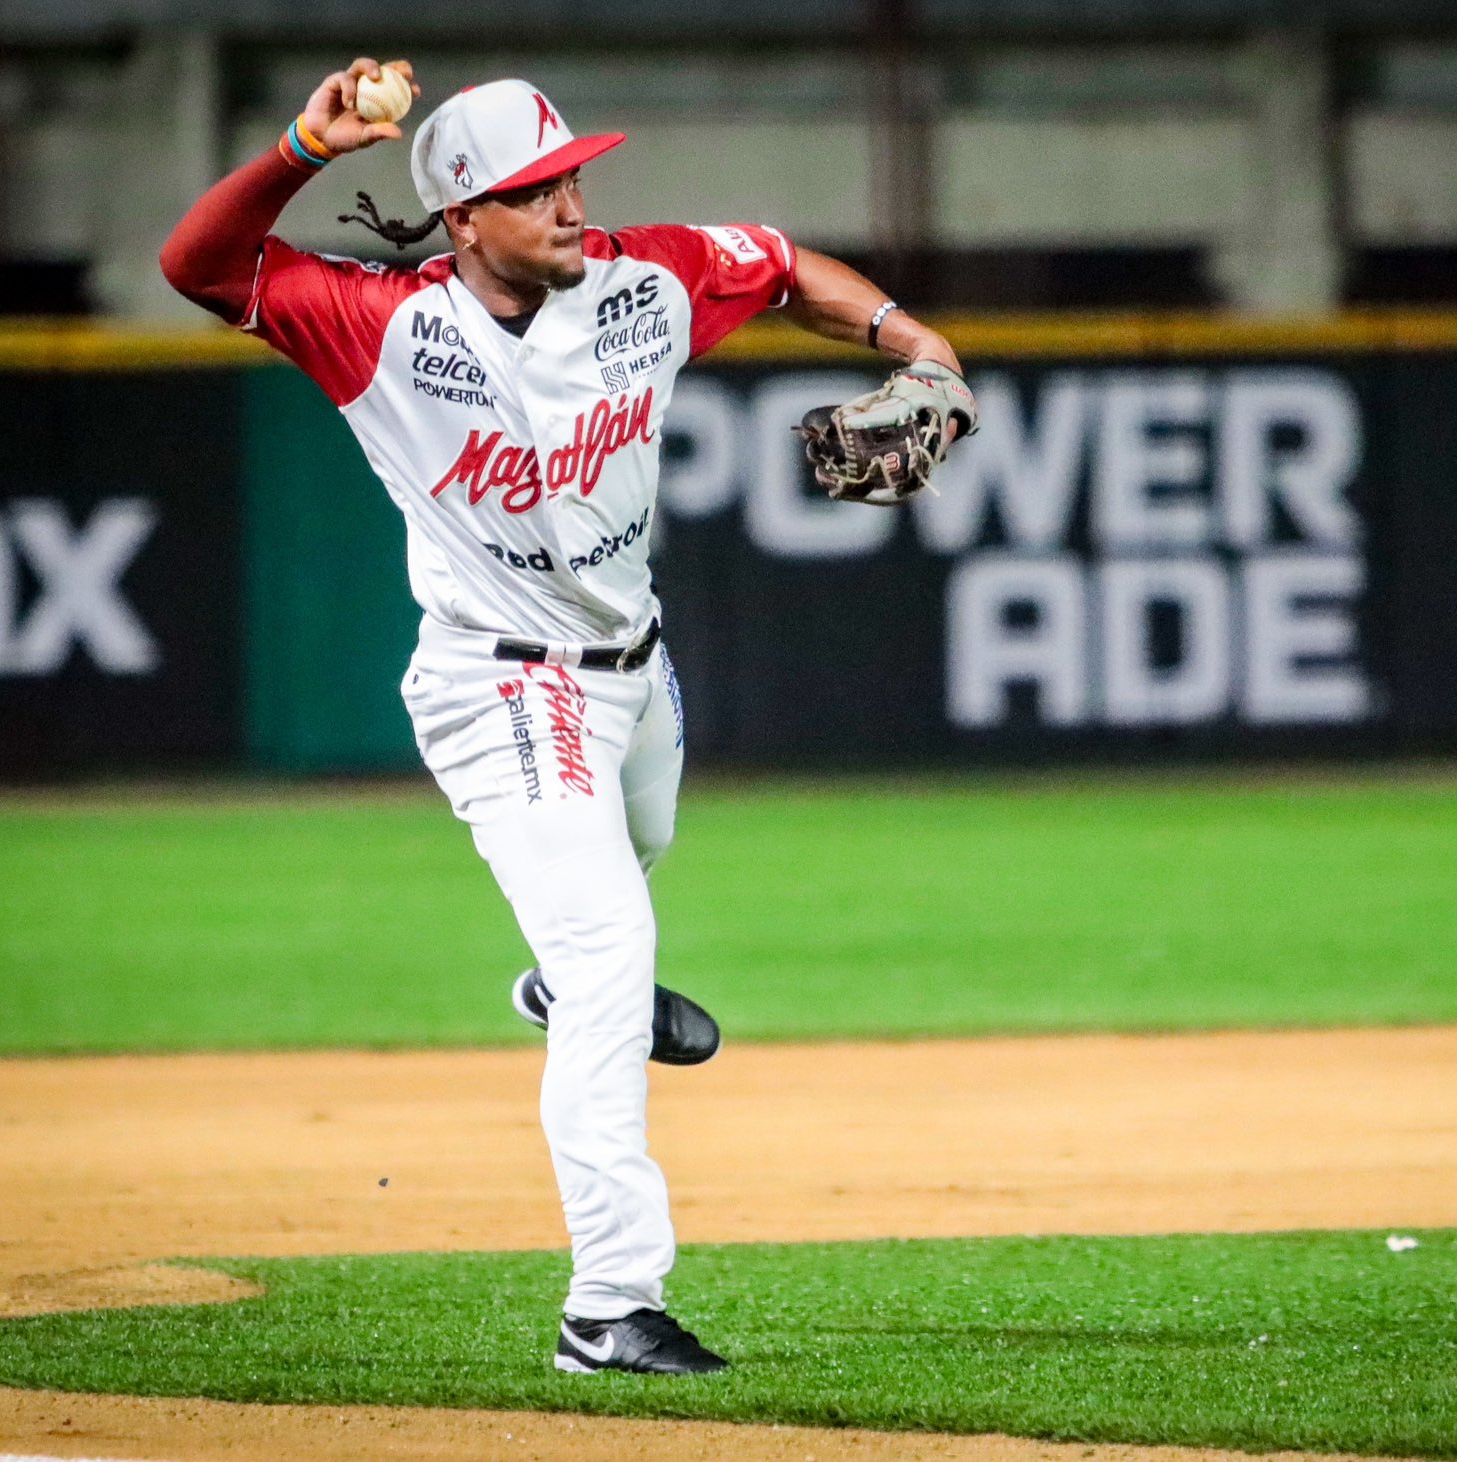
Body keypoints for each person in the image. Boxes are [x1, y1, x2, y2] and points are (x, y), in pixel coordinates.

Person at [160, 58, 973, 1373]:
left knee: (622, 881)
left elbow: (777, 265)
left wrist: (914, 342)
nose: (573, 204)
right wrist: (307, 145)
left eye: (576, 175)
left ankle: (561, 976)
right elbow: (197, 263)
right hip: (498, 680)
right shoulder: (375, 323)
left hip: (636, 671)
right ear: (464, 214)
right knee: (612, 953)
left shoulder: (641, 284)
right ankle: (609, 1304)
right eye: (539, 189)